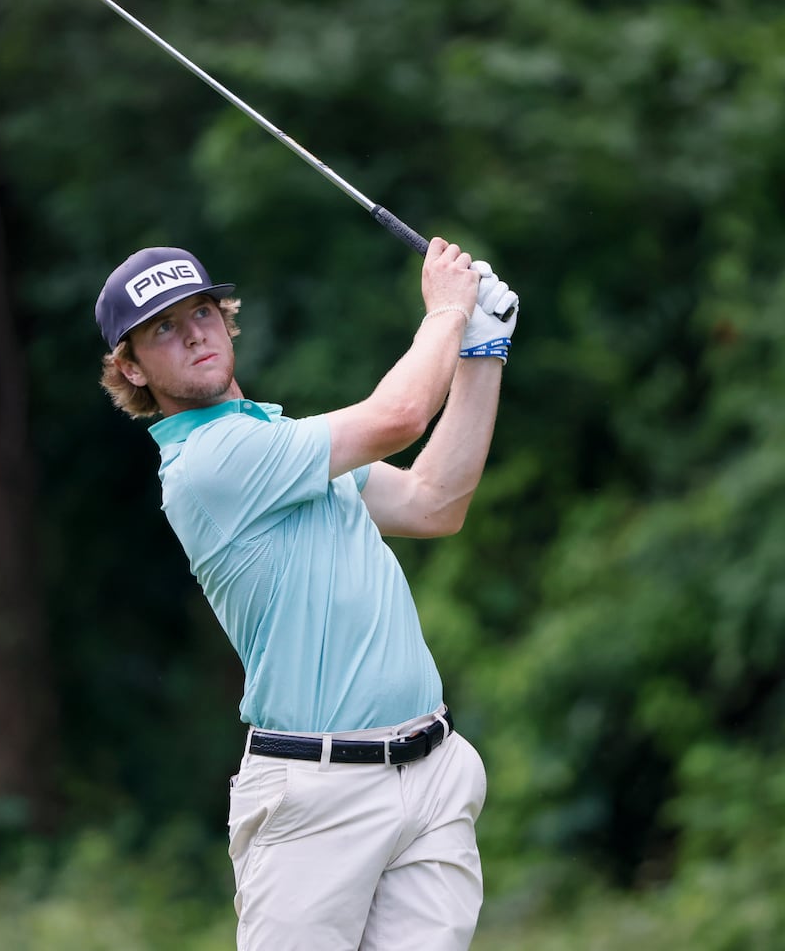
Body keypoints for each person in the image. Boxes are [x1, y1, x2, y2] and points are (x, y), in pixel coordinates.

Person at [95, 238, 518, 951]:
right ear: (132, 368)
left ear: (225, 318)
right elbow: (399, 418)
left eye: (201, 310)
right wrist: (447, 312)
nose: (194, 331)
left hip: (430, 773)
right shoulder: (208, 462)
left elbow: (431, 502)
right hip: (317, 796)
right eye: (163, 327)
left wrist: (480, 352)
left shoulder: (279, 438)